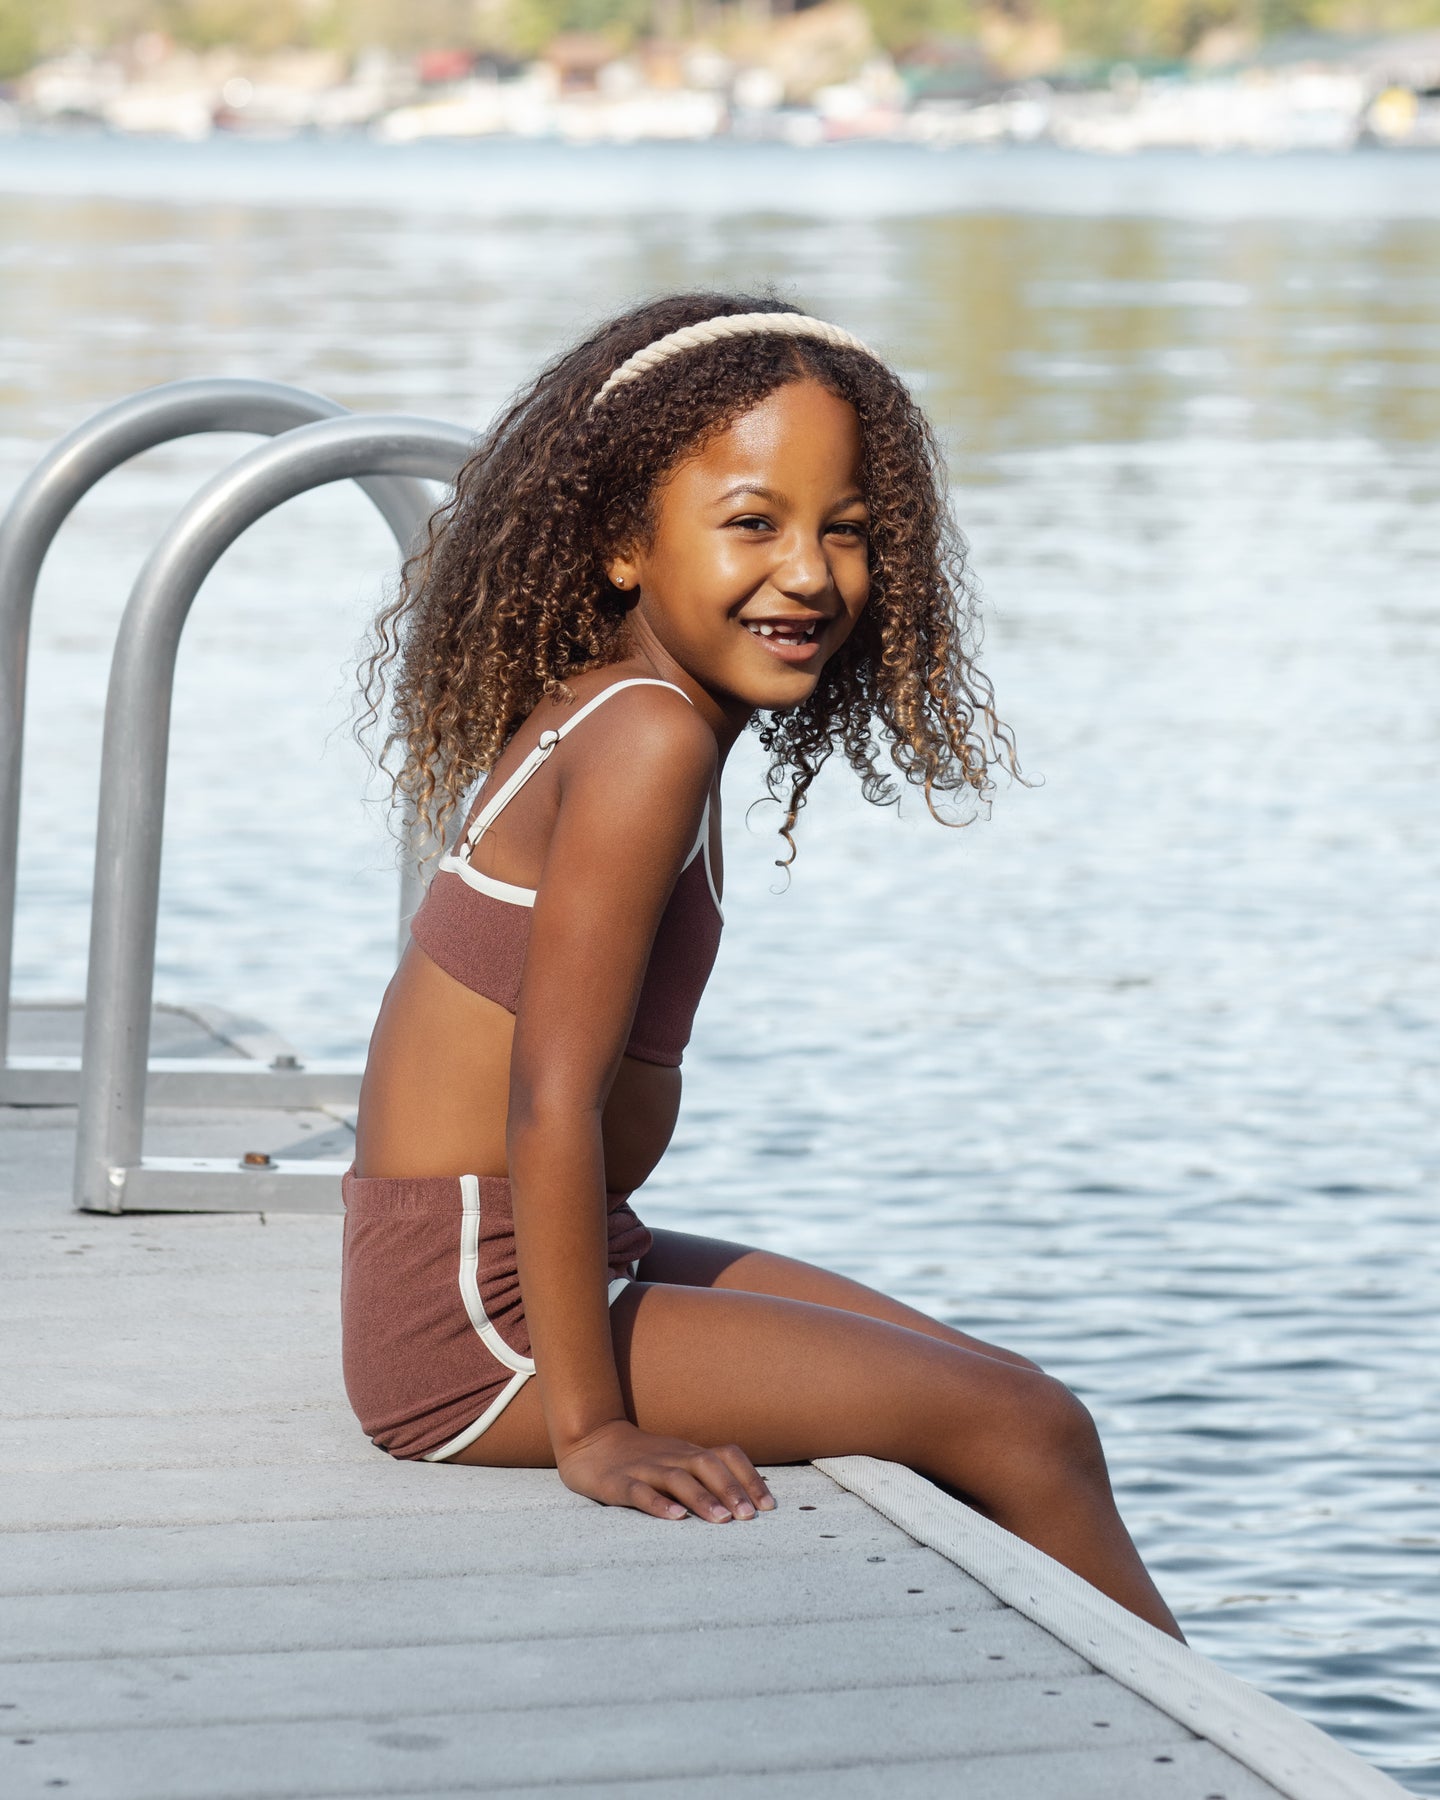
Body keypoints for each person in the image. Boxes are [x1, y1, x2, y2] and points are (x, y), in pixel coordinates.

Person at [348, 292, 1182, 1640]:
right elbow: (548, 1102)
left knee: (1005, 1393)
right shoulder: (648, 741)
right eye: (753, 523)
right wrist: (593, 1431)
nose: (808, 573)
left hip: (540, 1256)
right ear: (625, 543)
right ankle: (1200, 1740)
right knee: (1022, 1426)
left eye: (844, 529)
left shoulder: (627, 705)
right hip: (476, 1324)